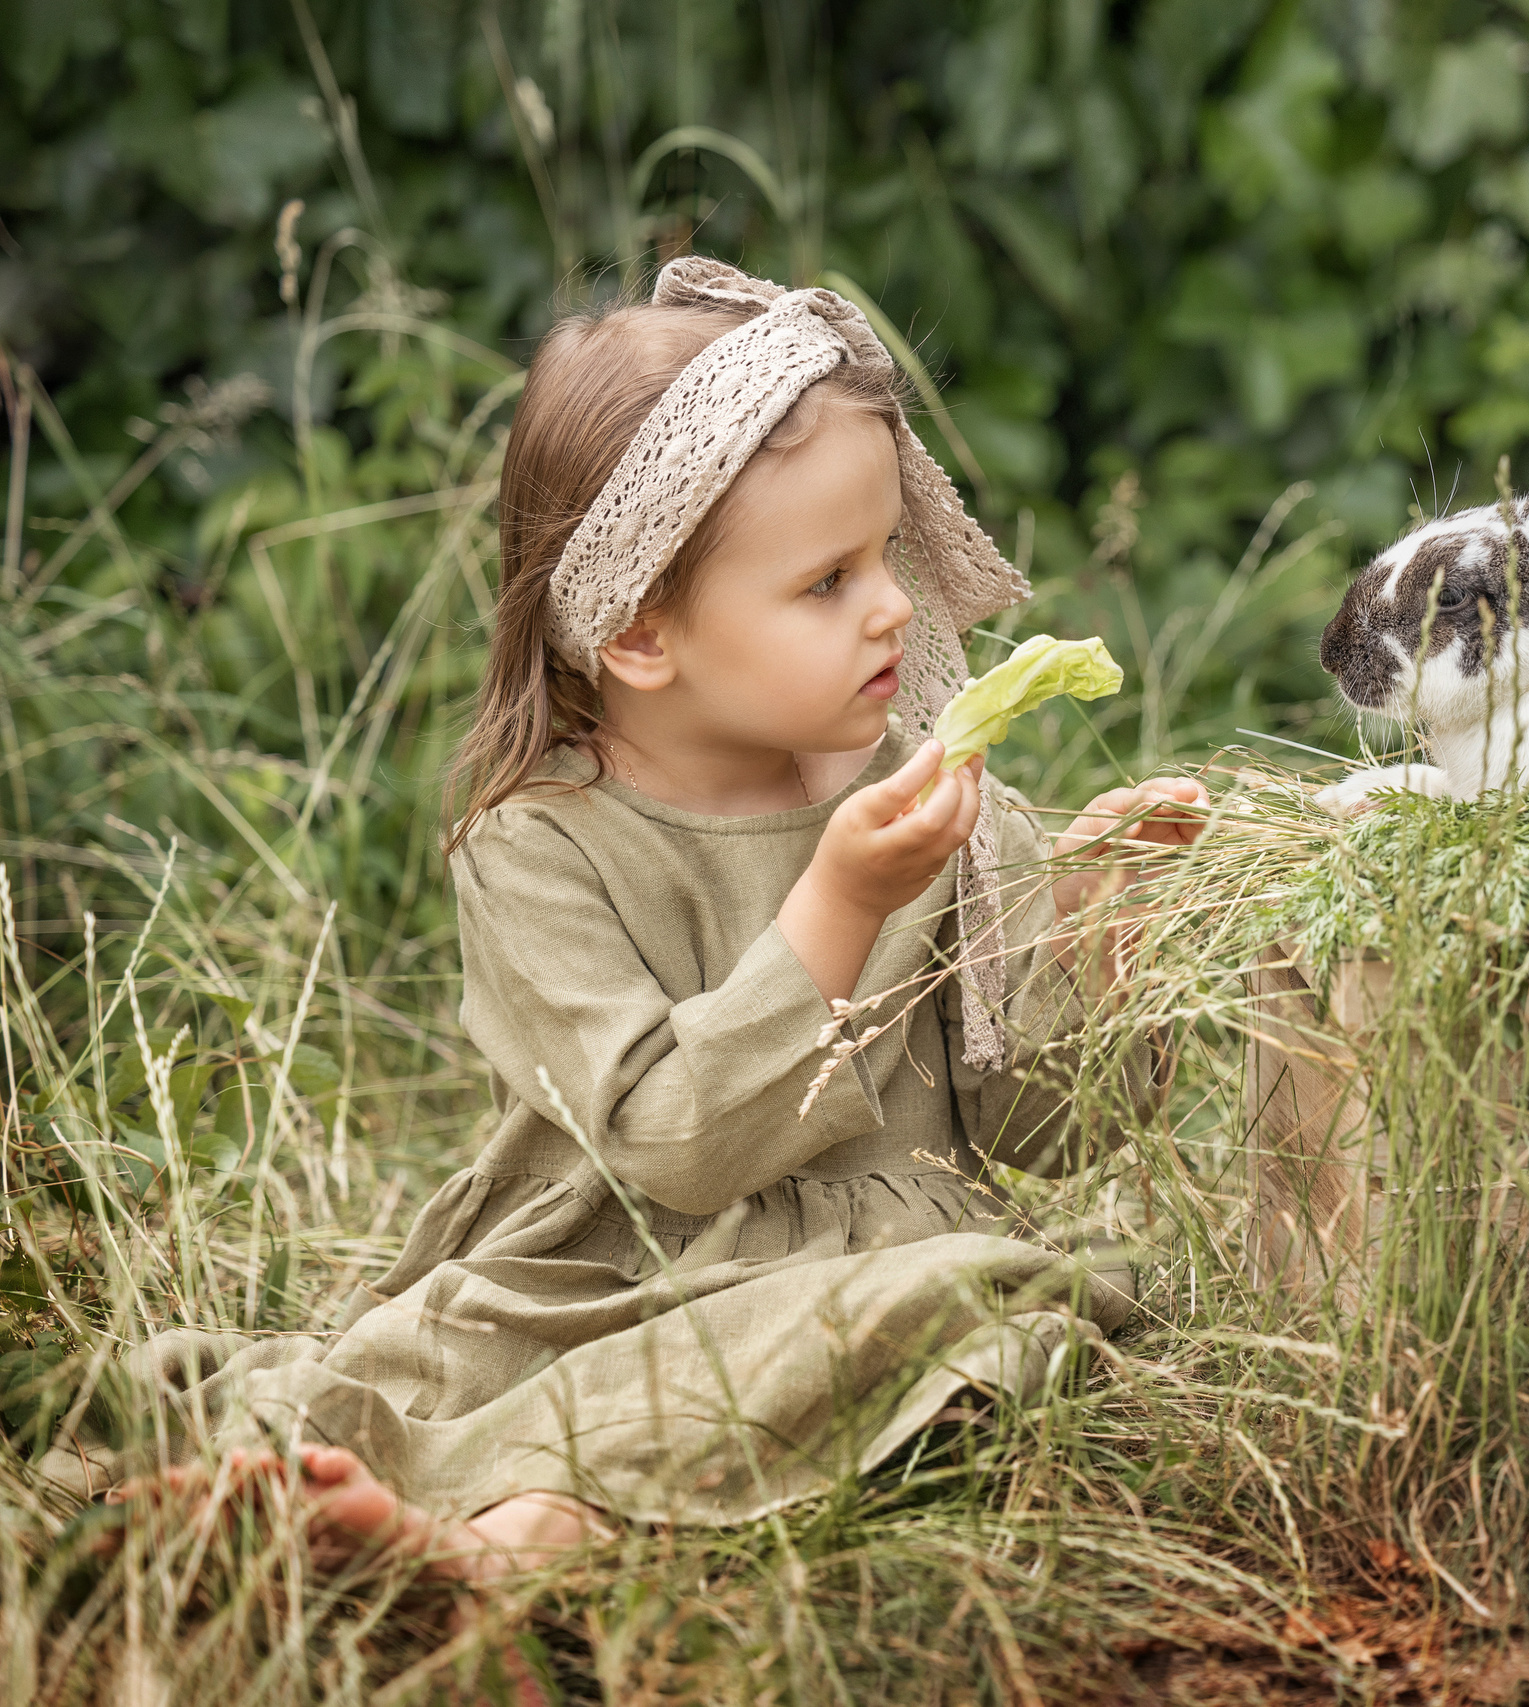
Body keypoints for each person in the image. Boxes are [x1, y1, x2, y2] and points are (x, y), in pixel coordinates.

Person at [46, 258, 1205, 1589]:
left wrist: (1102, 925)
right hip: (608, 1279)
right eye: (826, 580)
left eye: (885, 552)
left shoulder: (929, 793)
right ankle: (476, 1528)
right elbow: (674, 1148)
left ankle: (503, 1548)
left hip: (877, 1277)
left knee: (976, 1326)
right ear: (645, 633)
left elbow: (1044, 1132)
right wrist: (839, 903)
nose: (892, 603)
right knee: (566, 1391)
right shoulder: (541, 844)